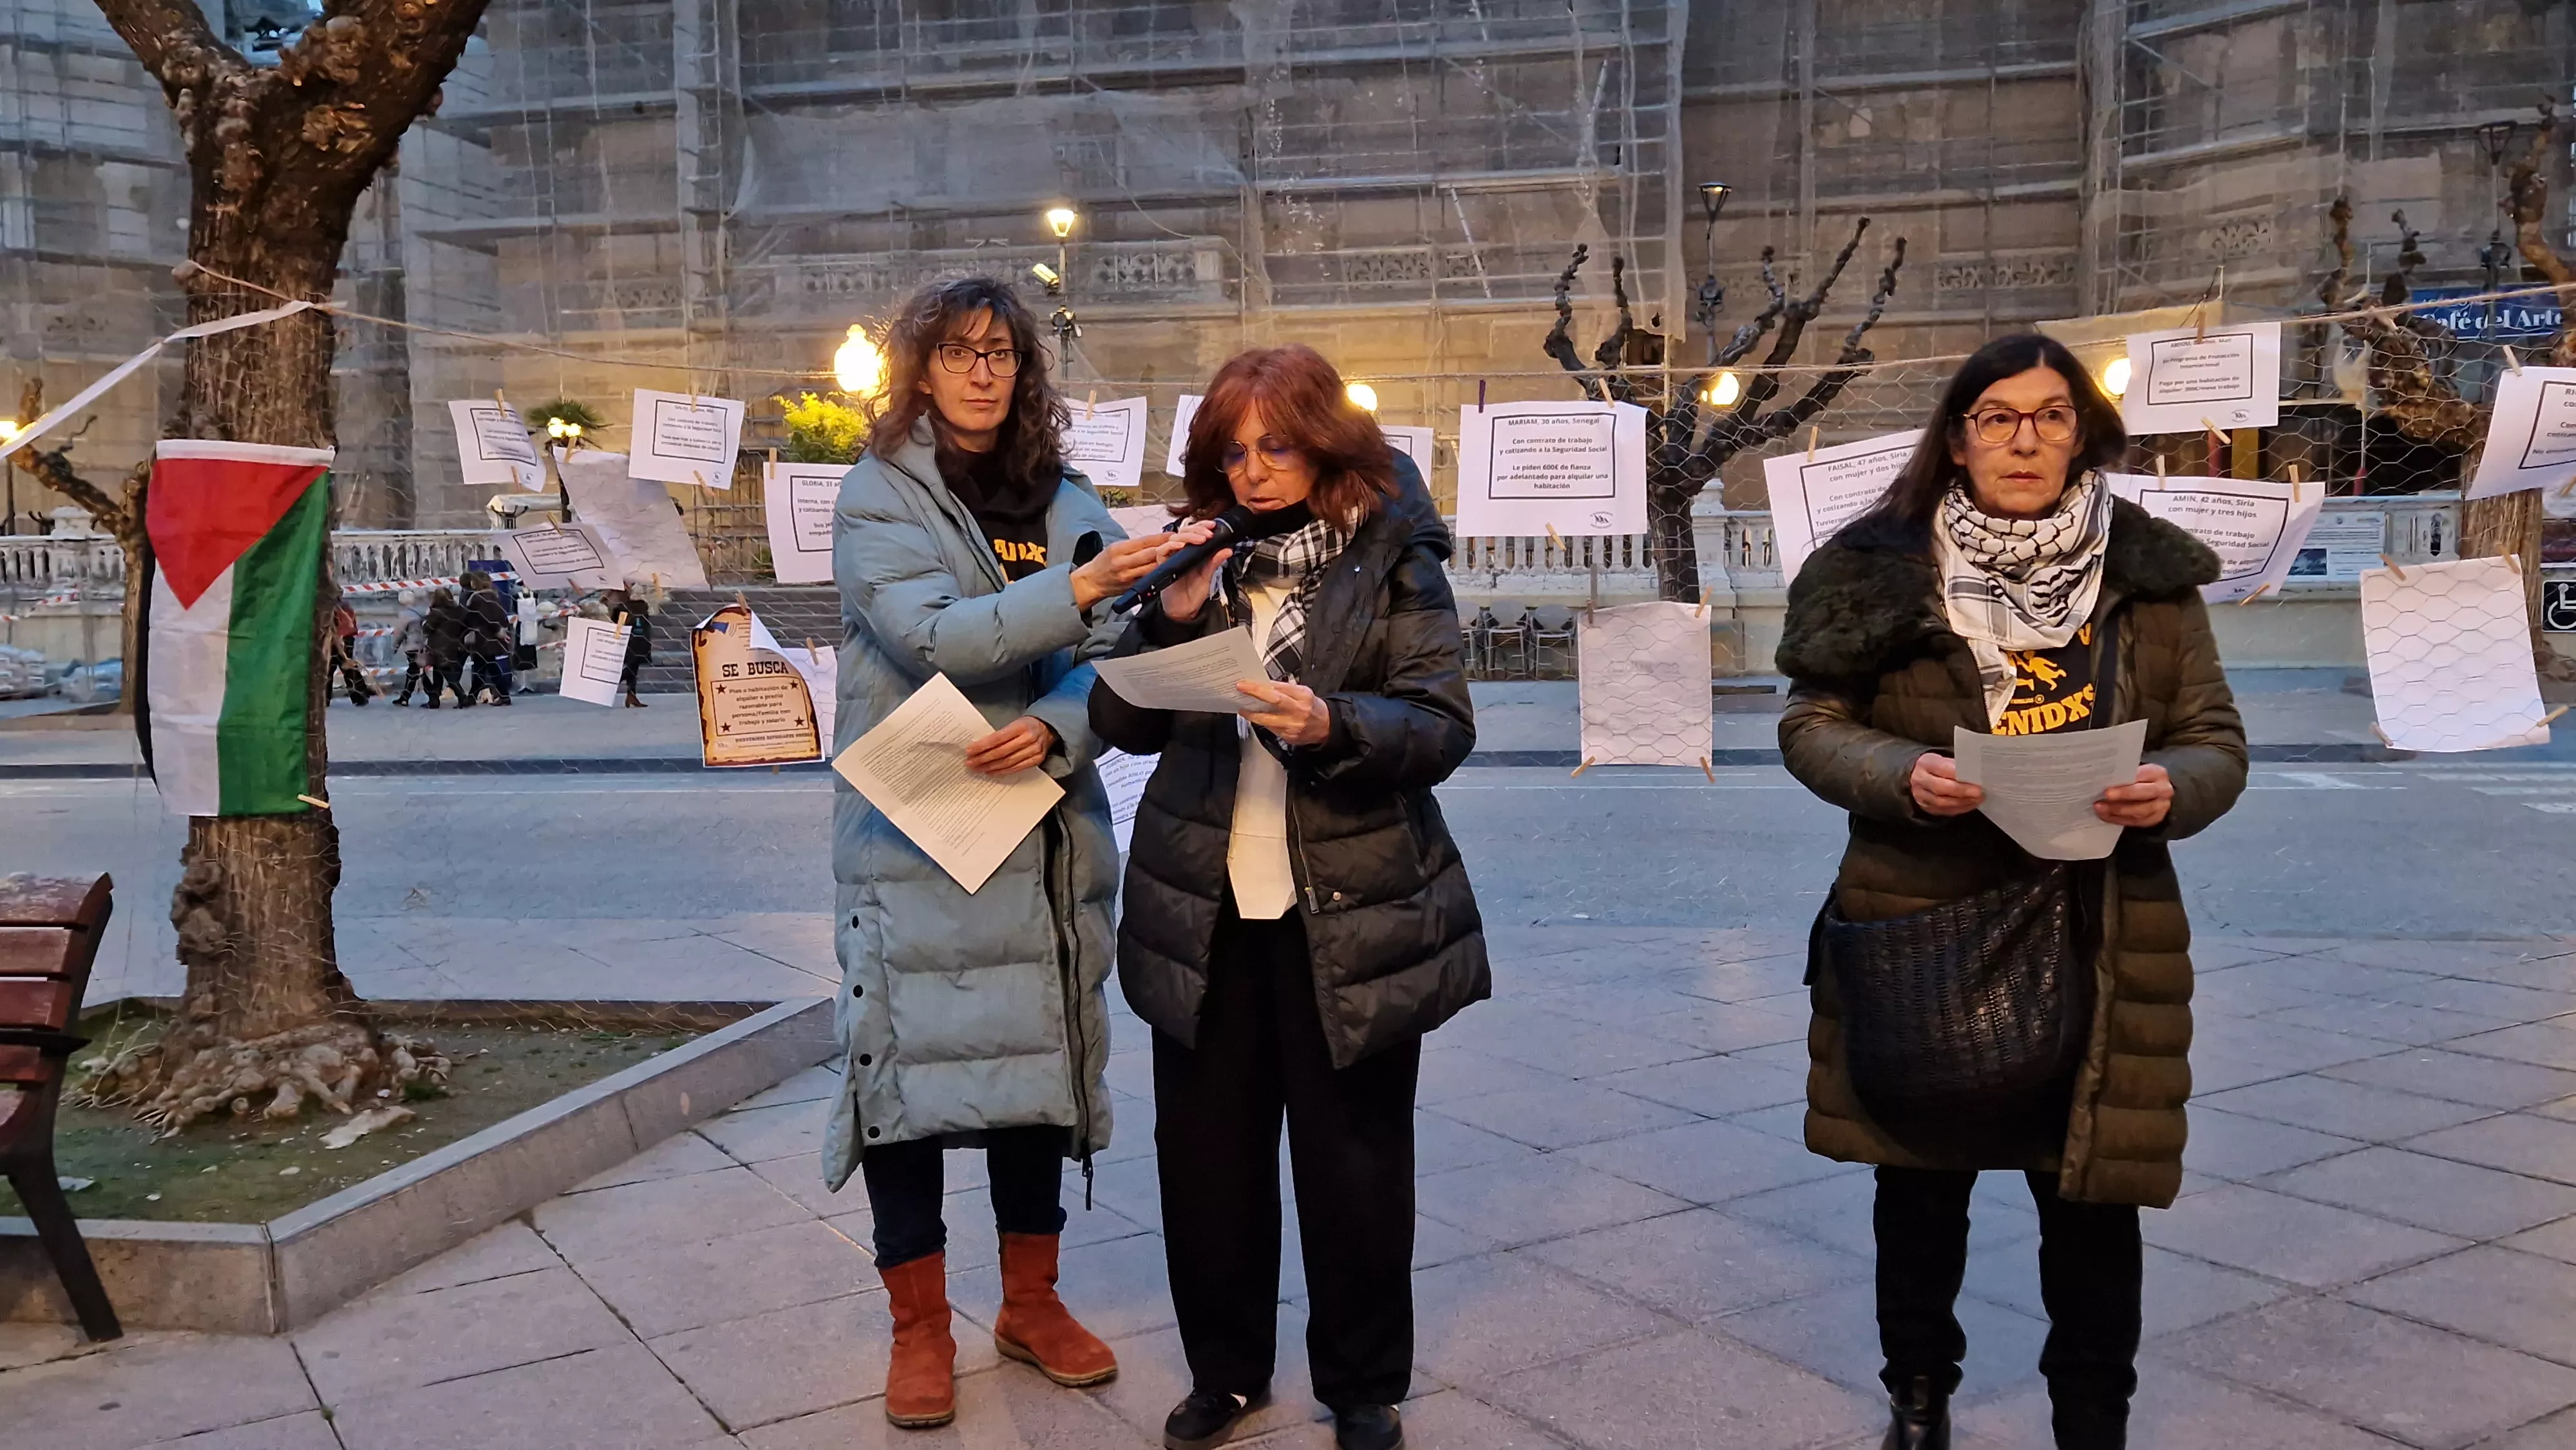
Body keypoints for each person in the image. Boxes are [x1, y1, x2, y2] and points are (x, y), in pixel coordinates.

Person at [1774, 333, 2247, 1450]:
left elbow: (2216, 738)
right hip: (1917, 912)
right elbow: (1810, 725)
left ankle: (2092, 1418)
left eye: (2049, 415)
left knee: (2090, 1195)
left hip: (2100, 927)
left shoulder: (2151, 578)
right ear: (1957, 435)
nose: (2023, 439)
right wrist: (1903, 774)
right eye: (1997, 416)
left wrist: (2168, 787)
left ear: (2084, 432)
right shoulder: (1875, 564)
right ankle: (1920, 1394)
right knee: (1921, 1186)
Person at [1091, 345, 1488, 1450]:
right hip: (1206, 913)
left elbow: (1443, 722)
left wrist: (1334, 726)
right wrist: (1168, 619)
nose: (1256, 471)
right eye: (1235, 450)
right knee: (1207, 1159)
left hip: (1350, 910)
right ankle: (1225, 1371)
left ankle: (1361, 1384)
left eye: (1278, 445)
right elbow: (1122, 721)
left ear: (1324, 446)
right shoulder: (1204, 561)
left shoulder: (1392, 557)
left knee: (1354, 1164)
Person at [823, 276, 1176, 1431]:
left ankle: (1033, 1303)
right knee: (909, 1078)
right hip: (921, 821)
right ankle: (919, 1328)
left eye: (1003, 354)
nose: (984, 371)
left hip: (1041, 823)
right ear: (918, 369)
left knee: (1036, 1077)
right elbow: (932, 636)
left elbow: (1123, 651)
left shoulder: (1069, 495)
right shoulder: (880, 493)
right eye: (959, 351)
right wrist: (1076, 587)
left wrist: (1063, 724)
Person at [461, 571, 513, 706]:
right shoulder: (494, 596)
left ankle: (503, 696)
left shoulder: (478, 599)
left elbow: (483, 618)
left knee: (487, 668)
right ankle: (473, 697)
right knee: (483, 668)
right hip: (490, 638)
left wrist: (496, 631)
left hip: (483, 638)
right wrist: (501, 630)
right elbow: (502, 617)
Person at [422, 587, 468, 708]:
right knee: (439, 672)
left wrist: (427, 618)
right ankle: (434, 700)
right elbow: (465, 627)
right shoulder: (458, 611)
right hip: (453, 644)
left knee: (446, 673)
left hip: (438, 646)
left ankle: (462, 696)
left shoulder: (437, 612)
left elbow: (427, 629)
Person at [330, 601, 375, 705]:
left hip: (337, 639)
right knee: (347, 667)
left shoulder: (330, 606)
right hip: (347, 638)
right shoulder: (344, 605)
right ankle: (361, 694)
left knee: (329, 669)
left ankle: (323, 700)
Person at [390, 588, 429, 705]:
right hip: (422, 644)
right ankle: (406, 696)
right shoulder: (420, 612)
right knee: (416, 670)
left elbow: (400, 632)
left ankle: (430, 695)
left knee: (415, 671)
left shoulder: (405, 615)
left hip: (412, 646)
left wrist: (394, 647)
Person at [614, 593, 652, 708]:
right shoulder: (643, 606)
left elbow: (617, 623)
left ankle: (629, 693)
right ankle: (626, 691)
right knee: (633, 669)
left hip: (629, 640)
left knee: (632, 668)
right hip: (642, 641)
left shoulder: (623, 607)